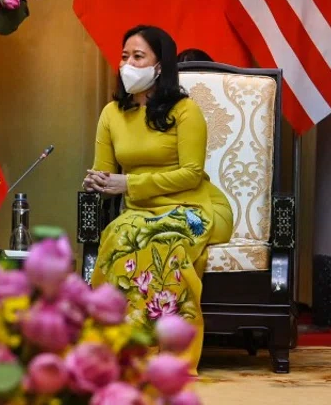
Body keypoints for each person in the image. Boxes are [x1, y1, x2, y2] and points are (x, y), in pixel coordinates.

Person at [83, 25, 233, 369]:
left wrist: (129, 184)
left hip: (195, 207)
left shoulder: (184, 111)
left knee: (159, 240)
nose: (128, 64)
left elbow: (191, 174)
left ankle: (166, 353)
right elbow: (105, 171)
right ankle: (121, 345)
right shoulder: (111, 114)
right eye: (124, 56)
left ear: (160, 65)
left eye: (138, 57)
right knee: (119, 236)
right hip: (139, 210)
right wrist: (98, 180)